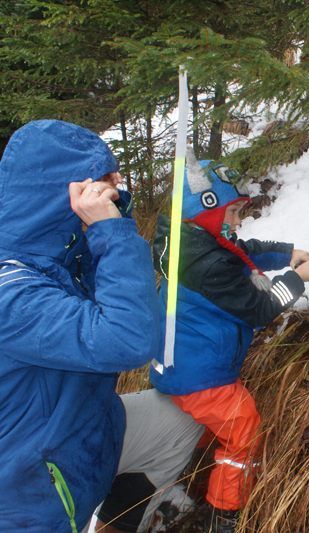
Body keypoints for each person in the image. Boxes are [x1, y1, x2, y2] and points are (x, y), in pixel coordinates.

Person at [0, 119, 203, 533]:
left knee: (181, 420)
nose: (113, 191)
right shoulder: (12, 291)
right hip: (32, 488)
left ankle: (114, 523)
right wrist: (110, 229)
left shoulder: (58, 257)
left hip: (86, 426)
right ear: (63, 192)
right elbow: (126, 340)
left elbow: (122, 303)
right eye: (103, 184)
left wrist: (104, 229)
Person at [149, 156, 309, 531]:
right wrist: (296, 279)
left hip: (182, 364)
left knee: (205, 429)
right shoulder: (209, 265)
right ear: (206, 212)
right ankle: (222, 514)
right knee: (243, 428)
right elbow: (259, 309)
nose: (236, 222)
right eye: (231, 214)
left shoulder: (190, 241)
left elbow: (240, 249)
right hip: (199, 375)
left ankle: (184, 482)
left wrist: (285, 252)